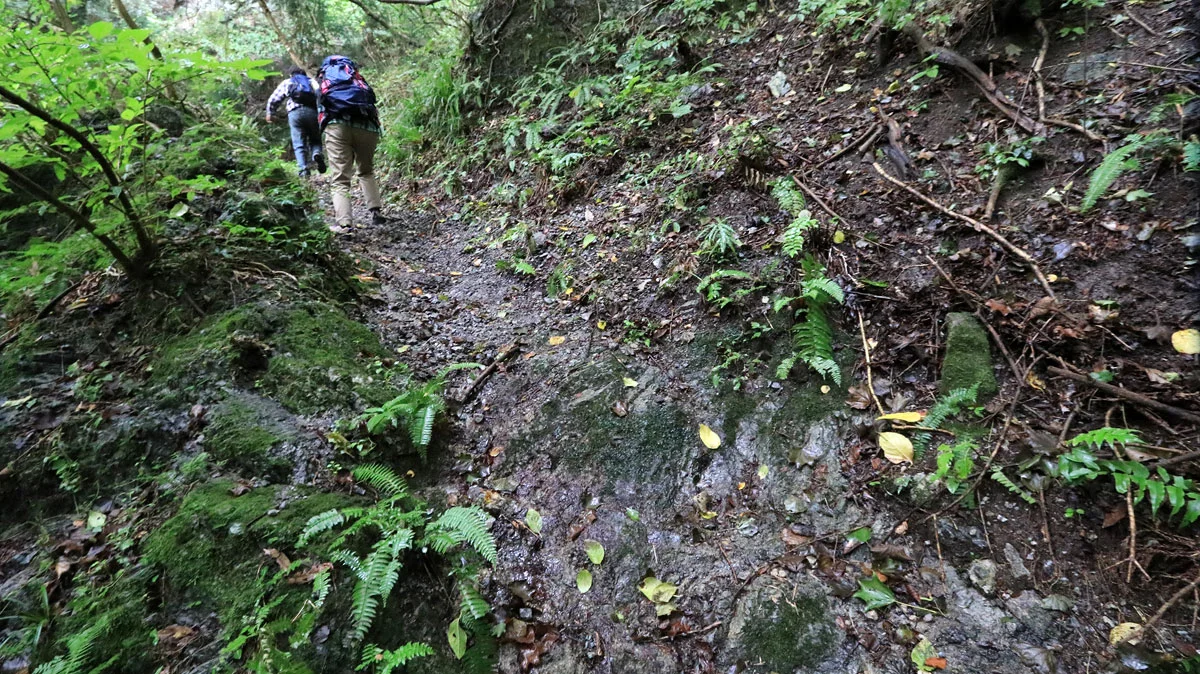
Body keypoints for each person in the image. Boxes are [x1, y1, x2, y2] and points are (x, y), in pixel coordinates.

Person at [316, 55, 388, 230]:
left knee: (340, 178)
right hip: (367, 127)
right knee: (366, 171)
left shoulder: (325, 82)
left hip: (337, 127)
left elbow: (320, 111)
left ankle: (345, 224)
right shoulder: (356, 80)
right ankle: (376, 213)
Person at [265, 67, 326, 177]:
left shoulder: (288, 82)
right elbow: (321, 97)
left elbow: (274, 99)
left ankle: (303, 170)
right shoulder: (312, 81)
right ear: (304, 74)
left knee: (299, 143)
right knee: (315, 139)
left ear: (291, 75)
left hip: (295, 113)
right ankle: (317, 153)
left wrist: (270, 113)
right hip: (312, 112)